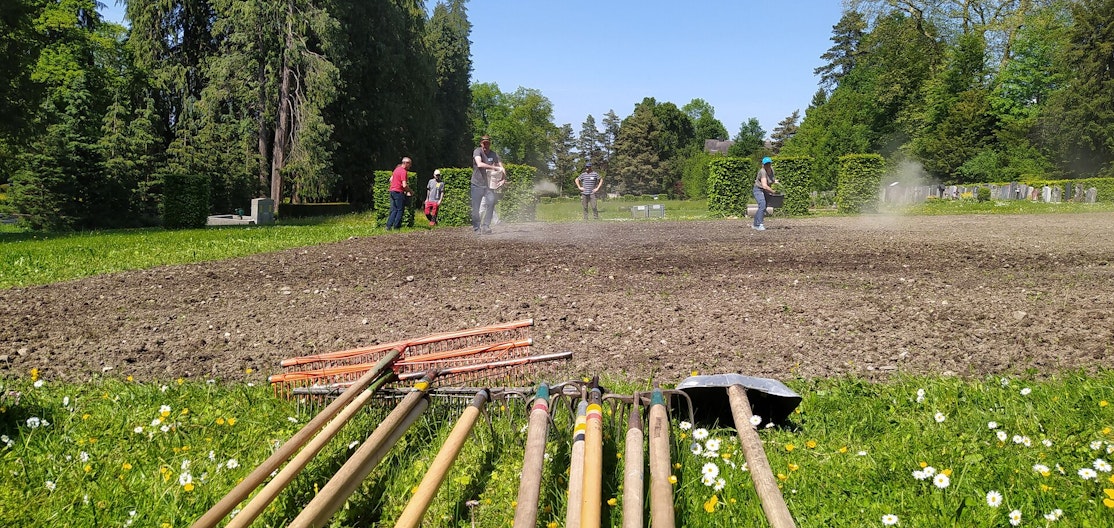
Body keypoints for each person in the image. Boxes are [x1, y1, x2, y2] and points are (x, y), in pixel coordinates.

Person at [471, 135, 505, 234]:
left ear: (490, 144)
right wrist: (494, 168)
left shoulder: (493, 154)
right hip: (476, 184)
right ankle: (477, 228)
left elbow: (501, 167)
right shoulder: (478, 151)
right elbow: (479, 164)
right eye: (484, 143)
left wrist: (503, 178)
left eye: (487, 143)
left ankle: (486, 226)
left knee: (491, 203)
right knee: (476, 208)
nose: (485, 145)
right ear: (481, 143)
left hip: (488, 185)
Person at [386, 157, 413, 231]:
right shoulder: (403, 171)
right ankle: (396, 227)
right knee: (400, 210)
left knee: (394, 210)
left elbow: (391, 180)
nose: (410, 166)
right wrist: (410, 191)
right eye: (410, 164)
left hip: (392, 191)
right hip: (398, 192)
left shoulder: (396, 170)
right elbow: (404, 185)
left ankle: (388, 226)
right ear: (406, 163)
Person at [752, 156, 777, 231]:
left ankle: (755, 224)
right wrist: (773, 191)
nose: (768, 165)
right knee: (762, 205)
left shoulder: (772, 170)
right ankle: (760, 224)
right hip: (759, 189)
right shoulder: (762, 171)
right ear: (763, 165)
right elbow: (764, 186)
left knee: (763, 207)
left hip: (766, 190)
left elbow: (772, 180)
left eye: (769, 163)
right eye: (766, 164)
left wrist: (776, 183)